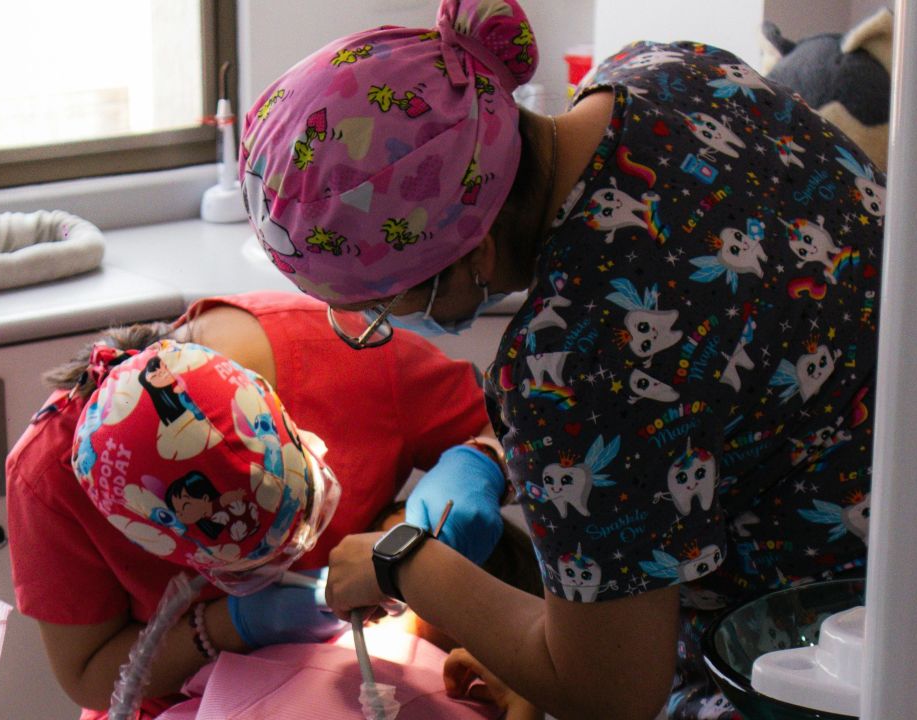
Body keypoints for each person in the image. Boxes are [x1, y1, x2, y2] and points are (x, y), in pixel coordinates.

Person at [237, 1, 882, 718]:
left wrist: (406, 564)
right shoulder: (665, 71)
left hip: (839, 642)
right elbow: (720, 373)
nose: (383, 322)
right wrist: (495, 458)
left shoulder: (571, 360)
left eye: (385, 305)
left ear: (476, 253)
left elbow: (611, 693)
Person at [5, 291, 514, 718]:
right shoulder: (48, 477)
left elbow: (519, 426)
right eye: (253, 565)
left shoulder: (349, 352)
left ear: (290, 426)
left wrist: (480, 464)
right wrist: (232, 624)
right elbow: (90, 673)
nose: (293, 559)